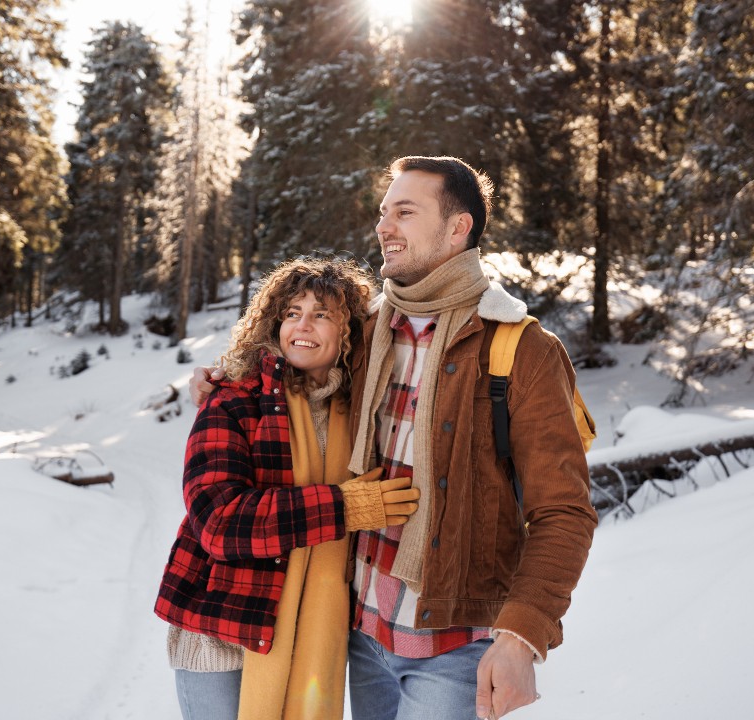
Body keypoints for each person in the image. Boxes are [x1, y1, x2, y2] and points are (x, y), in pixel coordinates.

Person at [191, 156, 597, 720]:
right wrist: (226, 378)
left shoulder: (521, 349)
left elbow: (564, 512)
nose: (384, 226)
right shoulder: (367, 331)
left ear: (459, 228)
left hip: (453, 643)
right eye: (384, 213)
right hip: (359, 632)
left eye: (405, 212)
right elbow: (295, 363)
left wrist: (521, 636)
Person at [156, 257, 420, 720]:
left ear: (348, 331)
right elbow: (219, 522)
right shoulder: (236, 398)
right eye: (292, 313)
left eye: (322, 314)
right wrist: (343, 507)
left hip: (314, 631)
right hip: (224, 629)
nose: (303, 325)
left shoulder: (360, 410)